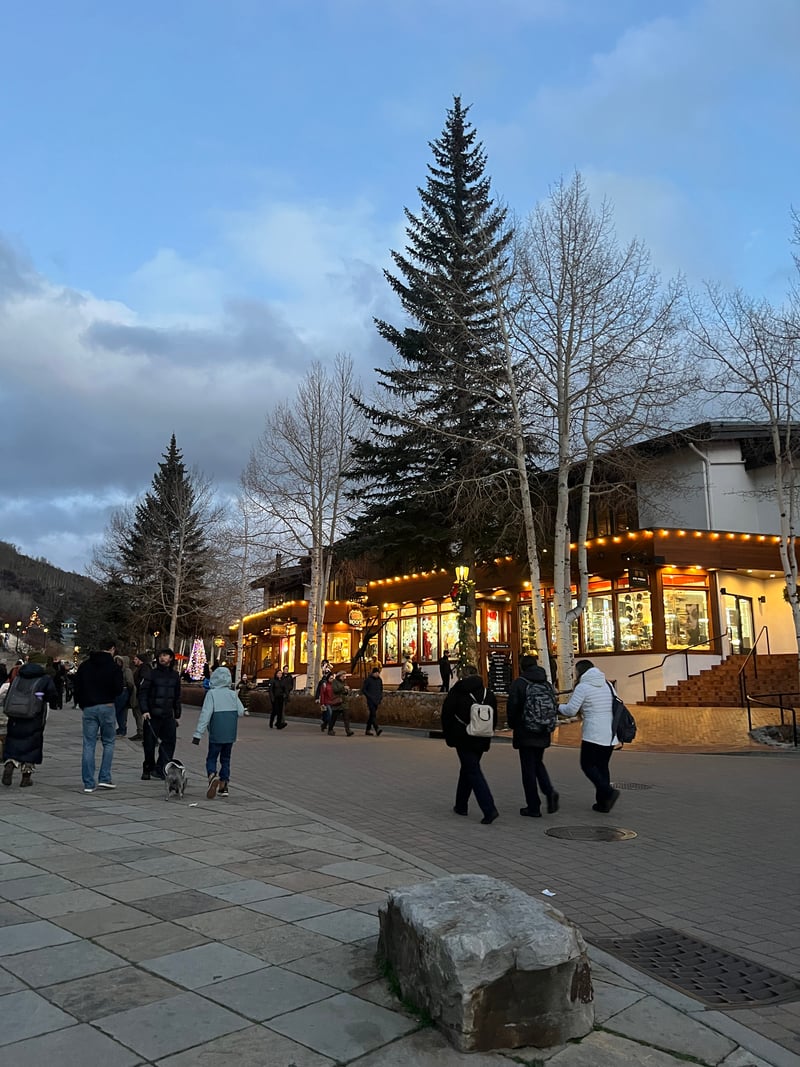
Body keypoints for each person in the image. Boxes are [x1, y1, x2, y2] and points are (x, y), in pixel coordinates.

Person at [559, 659, 620, 813]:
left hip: (593, 733)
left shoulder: (583, 687)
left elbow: (571, 710)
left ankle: (608, 792)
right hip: (610, 732)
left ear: (579, 672)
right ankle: (603, 803)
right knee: (602, 766)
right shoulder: (607, 684)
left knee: (587, 765)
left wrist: (558, 707)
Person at [441, 671, 499, 824]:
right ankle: (461, 805)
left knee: (472, 771)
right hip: (482, 737)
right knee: (468, 769)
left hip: (463, 737)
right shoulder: (487, 694)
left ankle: (489, 808)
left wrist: (449, 737)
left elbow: (446, 714)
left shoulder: (457, 692)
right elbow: (494, 718)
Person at [506, 655, 559, 818]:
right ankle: (549, 792)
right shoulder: (546, 683)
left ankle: (533, 806)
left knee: (528, 769)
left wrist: (513, 725)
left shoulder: (519, 683)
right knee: (537, 763)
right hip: (543, 729)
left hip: (525, 731)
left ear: (521, 667)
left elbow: (512, 708)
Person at [74, 637, 124, 793]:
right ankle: (105, 778)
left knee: (89, 744)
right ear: (112, 649)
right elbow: (119, 689)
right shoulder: (114, 667)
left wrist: (82, 703)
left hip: (89, 707)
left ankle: (88, 783)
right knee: (108, 742)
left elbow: (77, 686)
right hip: (107, 706)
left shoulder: (85, 665)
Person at [1, 658, 59, 788]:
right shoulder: (44, 679)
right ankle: (26, 776)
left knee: (13, 740)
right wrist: (43, 698)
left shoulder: (19, 677)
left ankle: (10, 762)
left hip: (15, 715)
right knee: (32, 744)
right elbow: (51, 695)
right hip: (34, 716)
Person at [192, 665, 245, 799]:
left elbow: (205, 714)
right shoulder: (233, 694)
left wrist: (198, 734)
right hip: (230, 733)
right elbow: (240, 712)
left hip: (216, 732)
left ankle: (212, 775)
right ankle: (224, 785)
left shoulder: (212, 694)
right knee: (226, 759)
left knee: (212, 757)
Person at [139, 648, 182, 780]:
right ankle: (148, 767)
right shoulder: (151, 674)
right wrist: (145, 710)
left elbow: (177, 696)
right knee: (149, 743)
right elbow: (143, 693)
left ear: (171, 658)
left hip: (168, 715)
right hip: (152, 715)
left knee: (169, 742)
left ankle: (161, 768)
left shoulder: (175, 675)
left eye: (165, 655)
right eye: (161, 656)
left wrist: (177, 714)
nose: (162, 658)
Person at [113, 655, 136, 737]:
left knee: (118, 710)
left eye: (119, 661)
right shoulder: (118, 670)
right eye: (117, 661)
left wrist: (128, 691)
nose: (117, 662)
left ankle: (122, 729)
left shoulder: (127, 671)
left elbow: (130, 683)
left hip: (123, 691)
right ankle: (121, 728)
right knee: (121, 712)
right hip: (118, 691)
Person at [130, 652, 151, 741]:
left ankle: (141, 732)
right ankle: (140, 731)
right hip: (139, 694)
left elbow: (143, 681)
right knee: (137, 713)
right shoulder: (141, 668)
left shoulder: (144, 668)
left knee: (138, 713)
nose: (134, 661)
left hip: (141, 694)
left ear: (140, 660)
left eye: (135, 659)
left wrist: (139, 687)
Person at [328, 670, 354, 736]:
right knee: (334, 717)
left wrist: (347, 690)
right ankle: (330, 729)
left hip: (344, 702)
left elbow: (346, 691)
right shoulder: (335, 682)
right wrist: (343, 688)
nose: (344, 678)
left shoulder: (344, 682)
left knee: (346, 717)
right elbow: (335, 690)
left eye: (345, 676)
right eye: (343, 676)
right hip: (338, 702)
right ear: (339, 676)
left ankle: (348, 731)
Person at [361, 666, 384, 736]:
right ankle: (377, 728)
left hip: (377, 700)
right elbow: (364, 689)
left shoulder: (379, 680)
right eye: (376, 673)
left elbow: (381, 689)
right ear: (373, 673)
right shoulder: (368, 680)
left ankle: (367, 730)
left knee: (371, 715)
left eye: (378, 673)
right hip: (370, 700)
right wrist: (369, 696)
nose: (377, 674)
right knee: (373, 714)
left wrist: (380, 697)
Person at [316, 664, 334, 732]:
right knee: (329, 714)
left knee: (327, 715)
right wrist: (318, 699)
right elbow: (320, 691)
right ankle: (330, 728)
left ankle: (324, 724)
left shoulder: (333, 684)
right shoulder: (323, 683)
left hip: (332, 701)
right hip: (326, 702)